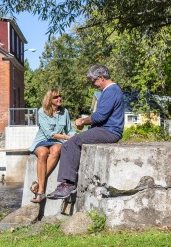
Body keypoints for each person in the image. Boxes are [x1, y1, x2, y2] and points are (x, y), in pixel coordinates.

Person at [47, 64, 124, 200]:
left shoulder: (111, 91)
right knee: (74, 141)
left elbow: (100, 116)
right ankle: (67, 183)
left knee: (71, 143)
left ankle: (68, 184)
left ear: (101, 78)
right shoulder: (110, 91)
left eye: (93, 81)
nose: (93, 84)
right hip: (106, 130)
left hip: (110, 131)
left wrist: (82, 121)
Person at [29, 88, 76, 203]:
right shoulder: (42, 111)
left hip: (56, 142)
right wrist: (65, 137)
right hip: (42, 140)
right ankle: (41, 190)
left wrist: (77, 136)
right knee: (43, 153)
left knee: (56, 150)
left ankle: (39, 187)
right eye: (56, 97)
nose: (59, 99)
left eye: (60, 96)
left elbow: (69, 130)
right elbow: (49, 133)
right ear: (50, 100)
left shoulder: (65, 112)